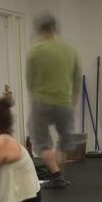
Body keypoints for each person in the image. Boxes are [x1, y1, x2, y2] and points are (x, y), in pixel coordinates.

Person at [26, 14, 81, 189]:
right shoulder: (70, 50)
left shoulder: (35, 50)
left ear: (40, 30)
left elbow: (29, 81)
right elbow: (77, 79)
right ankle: (58, 174)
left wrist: (35, 97)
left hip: (41, 101)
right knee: (64, 141)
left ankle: (56, 176)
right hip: (65, 102)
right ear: (55, 29)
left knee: (41, 141)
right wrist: (72, 102)